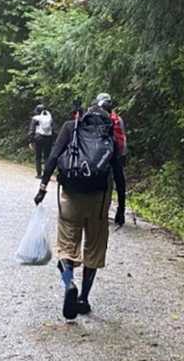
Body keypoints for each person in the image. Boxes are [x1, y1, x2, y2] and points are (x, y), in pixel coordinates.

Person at [35, 92, 126, 319]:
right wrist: (121, 208)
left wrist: (42, 188)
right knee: (93, 249)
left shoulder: (71, 127)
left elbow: (53, 157)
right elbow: (118, 173)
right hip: (99, 201)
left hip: (71, 196)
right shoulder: (109, 133)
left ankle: (69, 283)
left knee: (66, 248)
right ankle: (83, 298)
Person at [26, 102, 54, 178]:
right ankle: (46, 174)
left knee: (38, 156)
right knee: (47, 157)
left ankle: (39, 174)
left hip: (38, 138)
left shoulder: (35, 118)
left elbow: (32, 130)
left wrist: (30, 141)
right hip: (48, 138)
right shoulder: (49, 118)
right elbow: (53, 129)